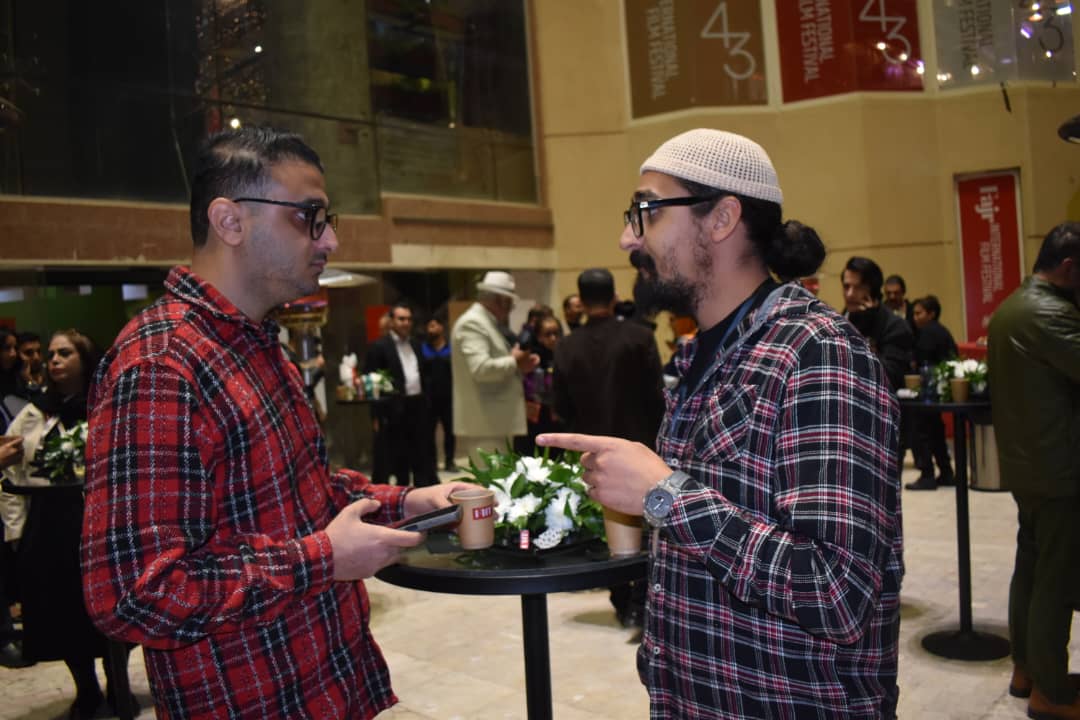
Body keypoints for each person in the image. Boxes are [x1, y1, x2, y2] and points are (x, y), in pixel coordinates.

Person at [80, 126, 472, 720]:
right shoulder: (161, 366)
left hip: (324, 681)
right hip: (252, 700)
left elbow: (304, 493)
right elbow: (135, 594)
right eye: (309, 217)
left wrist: (409, 501)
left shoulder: (257, 342)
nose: (330, 239)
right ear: (229, 221)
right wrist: (323, 559)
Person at [537, 128, 902, 718]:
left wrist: (663, 495)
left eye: (648, 211)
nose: (628, 237)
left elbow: (837, 591)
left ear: (723, 218)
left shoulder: (817, 353)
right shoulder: (698, 356)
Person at [2, 330, 121, 716]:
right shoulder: (34, 412)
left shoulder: (108, 405)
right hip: (49, 525)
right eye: (51, 354)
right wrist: (16, 531)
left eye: (64, 353)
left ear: (84, 360)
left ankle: (117, 683)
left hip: (99, 523)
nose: (53, 360)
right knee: (63, 612)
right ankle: (85, 688)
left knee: (107, 610)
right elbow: (12, 473)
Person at [988, 221, 1080, 719]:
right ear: (1069, 267)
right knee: (1056, 579)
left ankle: (1025, 669)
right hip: (1061, 469)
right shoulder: (1053, 314)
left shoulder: (1010, 308)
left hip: (1027, 466)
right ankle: (1052, 692)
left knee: (1030, 567)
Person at [552, 267, 664, 629]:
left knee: (604, 528)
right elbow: (657, 397)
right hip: (639, 446)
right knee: (646, 526)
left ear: (581, 301)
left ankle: (620, 599)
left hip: (591, 452)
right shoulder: (639, 337)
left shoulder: (566, 346)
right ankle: (641, 600)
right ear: (615, 297)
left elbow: (560, 405)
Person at [450, 271, 539, 466]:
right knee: (492, 480)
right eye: (510, 303)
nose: (510, 309)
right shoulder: (473, 323)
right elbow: (481, 369)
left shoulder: (485, 323)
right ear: (501, 300)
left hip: (494, 422)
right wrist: (514, 360)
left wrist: (519, 366)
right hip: (486, 423)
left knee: (499, 479)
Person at [842, 257, 914, 474]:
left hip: (882, 431)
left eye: (858, 287)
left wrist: (864, 328)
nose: (850, 294)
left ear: (872, 290)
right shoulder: (838, 321)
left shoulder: (895, 326)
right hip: (842, 428)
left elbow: (889, 377)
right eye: (846, 286)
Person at [364, 300, 437, 487]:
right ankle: (401, 495)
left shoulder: (416, 344)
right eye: (401, 319)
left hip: (418, 405)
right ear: (392, 321)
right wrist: (376, 415)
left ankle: (424, 494)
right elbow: (371, 381)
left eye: (409, 319)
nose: (406, 323)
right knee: (398, 458)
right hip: (394, 410)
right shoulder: (379, 347)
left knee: (421, 455)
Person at [904, 295, 957, 491]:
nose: (915, 317)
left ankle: (927, 474)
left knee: (922, 432)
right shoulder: (942, 331)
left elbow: (919, 360)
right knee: (936, 431)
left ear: (931, 314)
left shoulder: (927, 333)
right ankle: (946, 472)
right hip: (941, 388)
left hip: (928, 389)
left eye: (919, 313)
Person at [521, 314, 564, 454]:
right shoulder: (530, 358)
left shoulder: (566, 355)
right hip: (534, 418)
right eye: (548, 334)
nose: (553, 338)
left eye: (556, 333)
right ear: (539, 336)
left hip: (558, 417)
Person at [421, 308, 456, 472]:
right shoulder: (422, 349)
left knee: (450, 431)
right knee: (428, 433)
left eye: (434, 326)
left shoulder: (451, 349)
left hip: (448, 397)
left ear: (441, 327)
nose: (431, 329)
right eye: (429, 326)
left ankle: (450, 461)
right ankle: (432, 463)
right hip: (429, 398)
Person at [14, 332, 44, 400]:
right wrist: (29, 380)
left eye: (38, 351)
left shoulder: (49, 374)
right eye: (28, 353)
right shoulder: (14, 383)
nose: (36, 357)